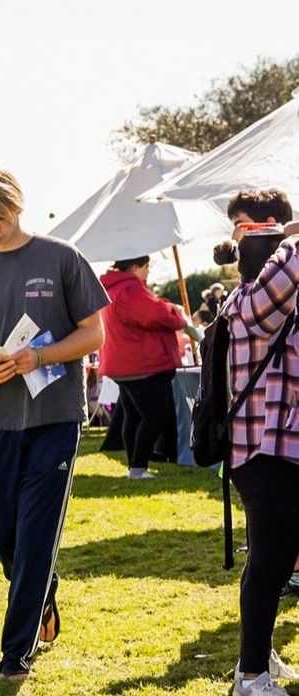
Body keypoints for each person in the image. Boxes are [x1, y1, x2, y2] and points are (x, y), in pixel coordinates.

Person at [0, 166, 109, 681]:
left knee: (36, 535)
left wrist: (42, 358)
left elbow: (95, 334)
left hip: (55, 418)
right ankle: (45, 589)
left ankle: (16, 650)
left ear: (18, 206)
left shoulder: (62, 258)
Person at [220, 191, 299, 696]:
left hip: (277, 445)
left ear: (269, 225)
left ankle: (259, 657)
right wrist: (292, 241)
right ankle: (251, 677)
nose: (234, 238)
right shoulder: (253, 293)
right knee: (271, 559)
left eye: (243, 225)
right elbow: (272, 295)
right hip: (261, 447)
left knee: (270, 559)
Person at [98, 256, 201, 479]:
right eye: (146, 267)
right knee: (154, 418)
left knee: (133, 417)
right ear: (134, 267)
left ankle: (135, 467)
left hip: (122, 365)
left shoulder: (112, 289)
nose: (148, 272)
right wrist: (174, 312)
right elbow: (157, 314)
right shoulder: (129, 290)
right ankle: (137, 468)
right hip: (141, 366)